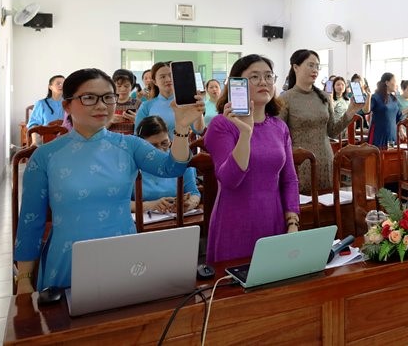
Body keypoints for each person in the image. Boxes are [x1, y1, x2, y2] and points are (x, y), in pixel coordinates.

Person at [13, 68, 202, 293]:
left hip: (124, 255)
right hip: (67, 260)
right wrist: (24, 278)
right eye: (89, 98)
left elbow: (173, 166)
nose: (102, 105)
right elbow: (30, 221)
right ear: (67, 106)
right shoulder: (45, 156)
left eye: (108, 97)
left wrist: (181, 127)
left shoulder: (129, 145)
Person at [205, 55, 300, 262]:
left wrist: (292, 222)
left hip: (272, 220)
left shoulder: (279, 127)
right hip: (235, 222)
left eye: (268, 76)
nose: (263, 82)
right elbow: (230, 180)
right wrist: (246, 134)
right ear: (236, 85)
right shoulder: (222, 125)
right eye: (254, 77)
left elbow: (289, 179)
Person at [279, 50, 369, 193]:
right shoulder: (285, 99)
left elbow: (332, 131)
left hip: (326, 161)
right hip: (299, 165)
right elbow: (279, 138)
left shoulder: (324, 97)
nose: (315, 70)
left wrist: (351, 111)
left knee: (329, 208)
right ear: (295, 67)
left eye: (317, 66)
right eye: (310, 65)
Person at [132, 115, 200, 214]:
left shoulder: (179, 160)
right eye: (153, 146)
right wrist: (151, 205)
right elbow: (120, 202)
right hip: (144, 223)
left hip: (176, 219)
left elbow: (194, 193)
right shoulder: (131, 165)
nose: (160, 150)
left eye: (164, 143)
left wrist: (188, 204)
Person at [134, 61, 205, 134]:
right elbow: (137, 134)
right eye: (162, 77)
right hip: (153, 146)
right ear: (155, 82)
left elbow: (199, 131)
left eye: (171, 75)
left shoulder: (186, 103)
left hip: (182, 144)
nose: (168, 79)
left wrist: (199, 112)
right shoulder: (146, 106)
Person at [26, 74, 65, 143]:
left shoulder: (70, 103)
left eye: (63, 83)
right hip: (47, 140)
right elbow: (33, 125)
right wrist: (35, 142)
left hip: (66, 141)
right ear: (50, 87)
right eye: (58, 83)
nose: (61, 85)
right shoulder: (41, 104)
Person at [368, 73, 402, 149]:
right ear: (387, 83)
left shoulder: (394, 99)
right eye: (394, 81)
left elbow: (399, 117)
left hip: (392, 134)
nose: (396, 84)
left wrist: (401, 130)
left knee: (391, 158)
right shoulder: (375, 97)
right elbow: (366, 111)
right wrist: (368, 97)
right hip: (379, 134)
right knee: (379, 158)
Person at [108, 69, 140, 134]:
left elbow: (145, 129)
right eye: (119, 86)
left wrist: (137, 121)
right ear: (113, 86)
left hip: (132, 141)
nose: (122, 89)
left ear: (132, 86)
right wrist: (110, 121)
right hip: (111, 141)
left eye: (126, 86)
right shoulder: (107, 104)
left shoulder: (138, 104)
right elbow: (98, 130)